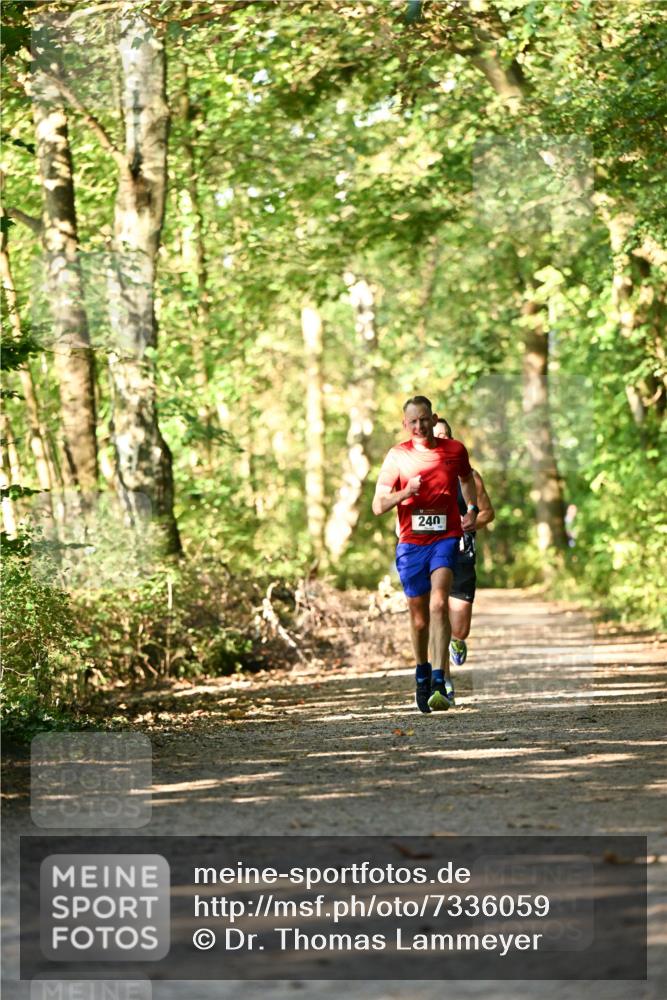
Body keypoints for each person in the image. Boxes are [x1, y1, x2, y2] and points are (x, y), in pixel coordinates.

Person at [372, 396, 479, 713]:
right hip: (410, 544)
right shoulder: (397, 456)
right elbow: (378, 506)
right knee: (419, 619)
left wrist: (471, 509)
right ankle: (421, 673)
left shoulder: (454, 450)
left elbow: (467, 478)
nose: (419, 426)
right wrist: (406, 492)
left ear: (433, 419)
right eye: (412, 421)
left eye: (424, 419)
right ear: (405, 425)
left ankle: (438, 679)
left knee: (439, 602)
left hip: (445, 538)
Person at [433, 418, 495, 678]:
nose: (442, 441)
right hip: (433, 552)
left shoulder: (470, 477)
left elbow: (488, 513)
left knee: (459, 628)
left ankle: (457, 640)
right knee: (436, 613)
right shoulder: (419, 474)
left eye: (446, 436)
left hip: (462, 554)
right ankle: (441, 679)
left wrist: (468, 523)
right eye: (438, 437)